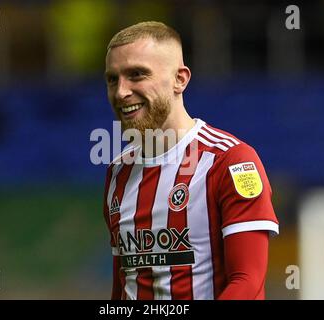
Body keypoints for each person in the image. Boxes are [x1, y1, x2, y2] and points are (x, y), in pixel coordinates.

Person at [102, 21, 279, 300]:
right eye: (113, 79)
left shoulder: (230, 162)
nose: (121, 91)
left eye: (137, 75)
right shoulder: (118, 172)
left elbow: (247, 282)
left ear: (180, 79)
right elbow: (124, 286)